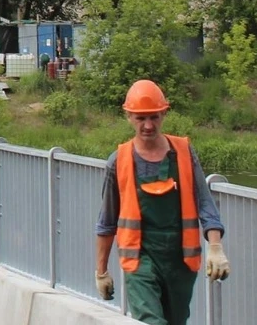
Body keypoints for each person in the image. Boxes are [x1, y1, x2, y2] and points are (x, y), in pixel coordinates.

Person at [94, 79, 231, 325]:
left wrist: (216, 247)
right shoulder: (119, 161)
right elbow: (106, 221)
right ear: (129, 117)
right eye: (140, 118)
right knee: (151, 320)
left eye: (154, 117)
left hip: (180, 261)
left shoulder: (183, 153)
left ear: (164, 114)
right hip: (139, 259)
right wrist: (101, 272)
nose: (148, 125)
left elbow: (205, 203)